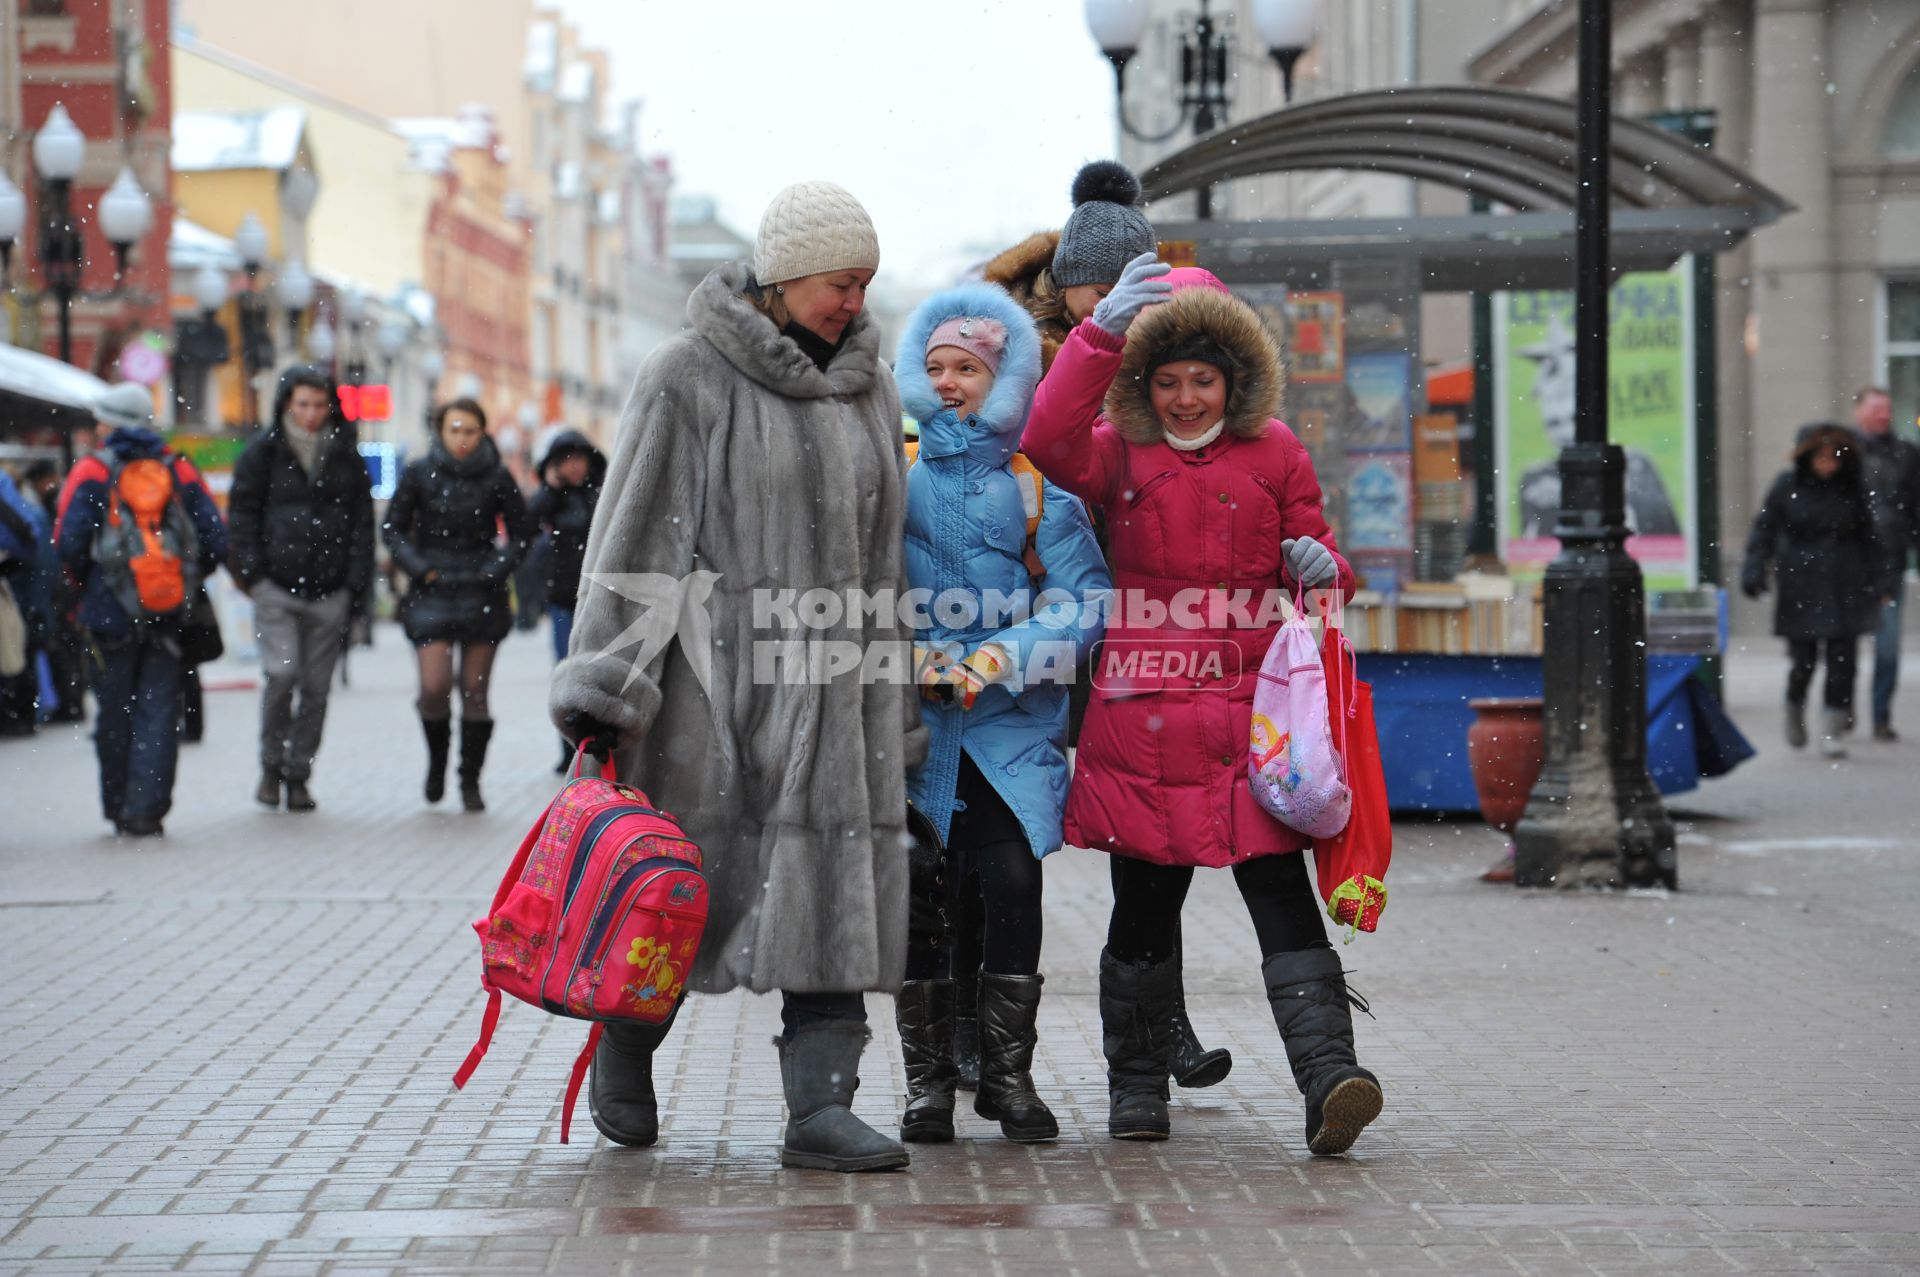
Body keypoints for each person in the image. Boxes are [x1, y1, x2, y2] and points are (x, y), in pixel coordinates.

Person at [551, 181, 922, 1173]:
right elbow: (636, 544)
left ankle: (821, 1107)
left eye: (865, 284)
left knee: (836, 897)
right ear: (786, 274)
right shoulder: (688, 376)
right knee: (677, 896)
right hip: (710, 698)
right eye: (841, 282)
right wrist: (602, 692)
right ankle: (624, 1053)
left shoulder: (873, 390)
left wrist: (901, 704)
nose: (854, 301)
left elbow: (886, 565)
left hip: (842, 695)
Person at [1022, 255, 1384, 1156]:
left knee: (1282, 896)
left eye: (1205, 379)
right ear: (1147, 383)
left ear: (1236, 378)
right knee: (1144, 907)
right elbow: (1048, 430)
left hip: (1256, 724)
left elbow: (1331, 572)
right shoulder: (1117, 453)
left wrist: (1320, 570)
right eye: (1171, 380)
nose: (1187, 398)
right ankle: (1136, 1087)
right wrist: (1100, 333)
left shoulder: (1278, 452)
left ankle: (1330, 1077)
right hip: (1147, 721)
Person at [974, 160, 1236, 1096]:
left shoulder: (1165, 339)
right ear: (1072, 284)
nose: (1114, 307)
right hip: (1032, 607)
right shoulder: (1022, 343)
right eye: (1093, 294)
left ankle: (1154, 1021)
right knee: (995, 833)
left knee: (1150, 829)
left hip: (1138, 611)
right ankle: (978, 1032)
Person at [891, 284, 1110, 1145]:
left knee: (1013, 884)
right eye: (937, 366)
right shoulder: (897, 481)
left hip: (1010, 727)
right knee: (921, 896)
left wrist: (998, 658)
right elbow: (859, 588)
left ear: (1005, 377)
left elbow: (1084, 601)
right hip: (916, 731)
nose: (950, 383)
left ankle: (1007, 1078)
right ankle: (928, 1085)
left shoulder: (1037, 491)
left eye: (970, 368)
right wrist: (904, 656)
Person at [55, 383, 227, 836]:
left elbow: (69, 541)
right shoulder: (179, 468)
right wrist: (180, 582)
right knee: (159, 709)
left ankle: (117, 805)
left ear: (109, 424)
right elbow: (214, 537)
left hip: (109, 611)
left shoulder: (93, 470)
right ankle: (147, 809)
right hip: (169, 611)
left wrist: (89, 585)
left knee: (114, 711)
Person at [227, 367, 375, 812]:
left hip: (330, 591)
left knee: (316, 688)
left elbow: (361, 525)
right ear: (287, 405)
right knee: (282, 674)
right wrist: (253, 575)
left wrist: (354, 585)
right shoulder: (262, 453)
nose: (311, 414)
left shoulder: (345, 456)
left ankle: (298, 774)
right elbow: (241, 516)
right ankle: (271, 765)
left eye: (318, 404)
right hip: (277, 587)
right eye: (302, 404)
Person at [383, 398, 532, 812]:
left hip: (481, 590)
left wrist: (494, 570)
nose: (462, 439)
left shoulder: (497, 475)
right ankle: (436, 764)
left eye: (470, 430)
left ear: (481, 432)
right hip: (432, 588)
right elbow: (392, 529)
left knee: (475, 691)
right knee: (433, 689)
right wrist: (420, 569)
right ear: (441, 431)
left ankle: (470, 780)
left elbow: (522, 533)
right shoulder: (418, 472)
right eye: (455, 429)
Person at [1742, 423, 1894, 759]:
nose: (1827, 465)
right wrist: (1755, 569)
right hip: (1802, 580)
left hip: (1847, 580)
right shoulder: (1787, 486)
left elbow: (1873, 538)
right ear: (1807, 457)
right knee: (1804, 661)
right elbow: (1764, 528)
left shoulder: (1853, 490)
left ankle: (1831, 728)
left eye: (1833, 458)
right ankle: (1795, 704)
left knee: (1843, 661)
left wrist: (1882, 581)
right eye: (1820, 457)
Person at [525, 428, 607, 770]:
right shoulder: (552, 499)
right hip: (563, 599)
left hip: (600, 597)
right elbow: (527, 523)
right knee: (566, 673)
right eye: (566, 460)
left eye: (579, 458)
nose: (574, 466)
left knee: (599, 672)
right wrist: (550, 488)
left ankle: (599, 743)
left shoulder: (602, 493)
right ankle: (569, 749)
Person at [1850, 385, 1920, 741]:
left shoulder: (1906, 454)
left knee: (1888, 646)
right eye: (1876, 408)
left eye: (1887, 409)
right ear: (1859, 412)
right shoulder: (1844, 453)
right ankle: (1840, 708)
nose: (1883, 415)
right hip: (1849, 565)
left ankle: (1880, 717)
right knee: (1840, 646)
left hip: (1890, 564)